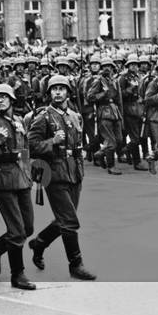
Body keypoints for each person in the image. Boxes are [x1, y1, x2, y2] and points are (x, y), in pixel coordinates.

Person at [26, 75, 96, 279]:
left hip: (74, 172)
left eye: (61, 88)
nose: (57, 92)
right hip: (54, 173)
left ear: (68, 92)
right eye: (54, 89)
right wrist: (52, 141)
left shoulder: (75, 116)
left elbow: (78, 141)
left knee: (64, 218)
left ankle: (39, 243)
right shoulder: (43, 117)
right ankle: (76, 264)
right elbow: (30, 145)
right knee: (69, 220)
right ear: (49, 93)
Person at [0, 83, 36, 290]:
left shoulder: (19, 121)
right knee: (17, 230)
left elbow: (24, 147)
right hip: (2, 181)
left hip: (22, 177)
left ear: (12, 100)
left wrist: (30, 169)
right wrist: (0, 142)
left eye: (4, 97)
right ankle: (17, 274)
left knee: (28, 227)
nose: (0, 101)